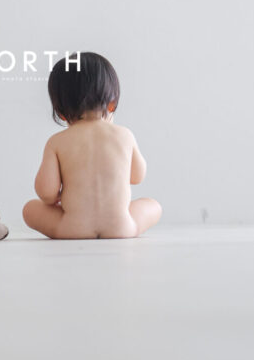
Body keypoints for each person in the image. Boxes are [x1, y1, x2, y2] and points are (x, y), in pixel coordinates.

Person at [23, 52, 162, 239]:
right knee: (153, 205)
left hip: (72, 228)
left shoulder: (57, 142)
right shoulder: (125, 135)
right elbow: (137, 176)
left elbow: (46, 193)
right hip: (121, 228)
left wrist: (60, 196)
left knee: (30, 209)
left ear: (61, 113)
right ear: (112, 104)